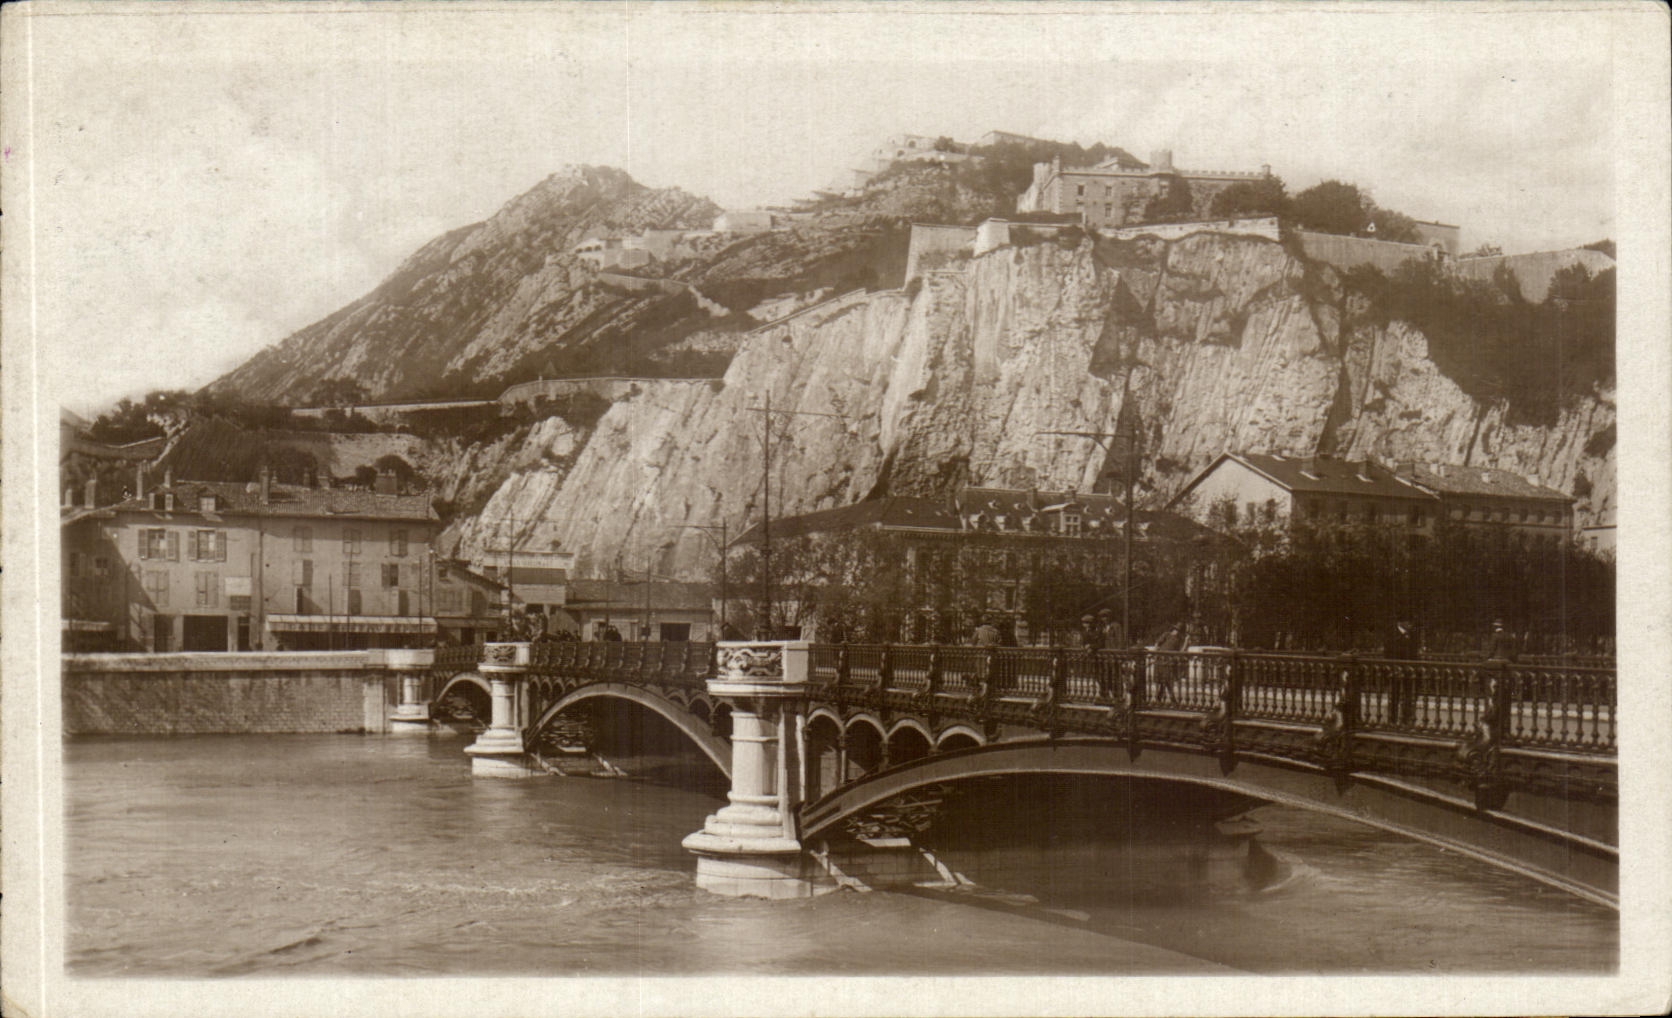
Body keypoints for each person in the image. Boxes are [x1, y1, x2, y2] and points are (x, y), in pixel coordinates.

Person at [1383, 617, 1419, 724]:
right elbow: (1388, 654)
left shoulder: (1412, 635)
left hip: (1409, 672)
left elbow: (1414, 654)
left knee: (1409, 696)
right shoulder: (1392, 635)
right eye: (1408, 621)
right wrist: (1394, 668)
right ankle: (1392, 721)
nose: (1410, 624)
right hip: (1396, 672)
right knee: (1394, 696)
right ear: (1400, 622)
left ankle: (1406, 721)